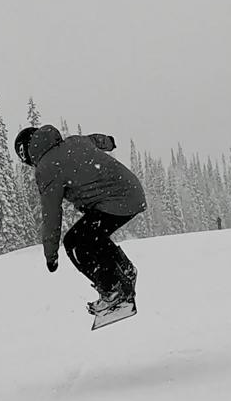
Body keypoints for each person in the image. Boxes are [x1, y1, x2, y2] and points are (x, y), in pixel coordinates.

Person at [14, 124, 146, 316]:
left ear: (25, 153)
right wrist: (109, 141)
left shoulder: (46, 168)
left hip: (116, 200)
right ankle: (124, 272)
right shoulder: (73, 141)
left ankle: (114, 291)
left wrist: (51, 255)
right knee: (93, 237)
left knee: (75, 243)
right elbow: (96, 140)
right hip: (131, 191)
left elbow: (51, 215)